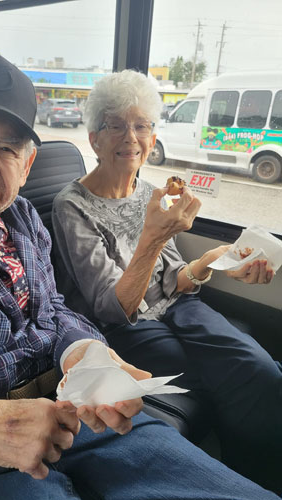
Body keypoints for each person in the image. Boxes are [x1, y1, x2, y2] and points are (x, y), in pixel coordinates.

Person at [0, 52, 280, 500]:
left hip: (77, 411)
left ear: (26, 166)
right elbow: (112, 306)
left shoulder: (22, 217)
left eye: (6, 147)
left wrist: (85, 352)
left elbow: (55, 310)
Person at [51, 69, 282, 495]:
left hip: (179, 308)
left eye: (141, 125)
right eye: (115, 125)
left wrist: (218, 260)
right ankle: (249, 477)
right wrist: (153, 236)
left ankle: (262, 472)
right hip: (127, 327)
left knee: (260, 368)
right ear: (94, 138)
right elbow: (111, 306)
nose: (130, 137)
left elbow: (177, 279)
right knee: (229, 378)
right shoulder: (71, 206)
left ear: (153, 137)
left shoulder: (150, 193)